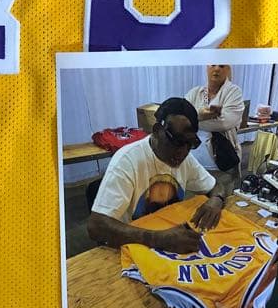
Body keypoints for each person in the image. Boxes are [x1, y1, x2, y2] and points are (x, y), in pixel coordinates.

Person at [87, 97, 234, 254]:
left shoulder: (185, 160)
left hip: (169, 241)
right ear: (157, 131)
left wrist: (216, 200)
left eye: (190, 144)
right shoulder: (127, 161)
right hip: (132, 247)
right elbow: (96, 226)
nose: (182, 152)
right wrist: (158, 239)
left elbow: (216, 186)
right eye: (176, 141)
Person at [185, 64, 245, 176]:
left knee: (223, 187)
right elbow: (180, 117)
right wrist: (200, 115)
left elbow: (224, 123)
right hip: (193, 162)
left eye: (222, 66)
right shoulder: (194, 92)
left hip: (222, 165)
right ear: (207, 68)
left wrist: (192, 119)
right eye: (213, 65)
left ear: (228, 69)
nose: (216, 69)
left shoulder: (234, 92)